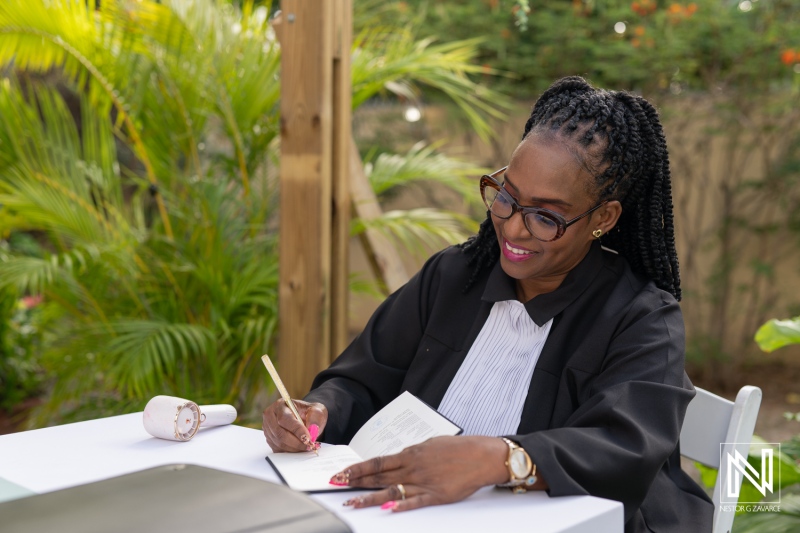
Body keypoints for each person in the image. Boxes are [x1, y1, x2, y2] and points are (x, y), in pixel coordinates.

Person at [262, 76, 714, 533]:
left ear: (603, 218)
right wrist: (318, 411)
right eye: (506, 197)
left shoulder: (641, 319)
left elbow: (624, 448)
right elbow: (361, 380)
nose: (513, 229)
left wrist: (499, 458)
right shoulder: (454, 276)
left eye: (546, 217)